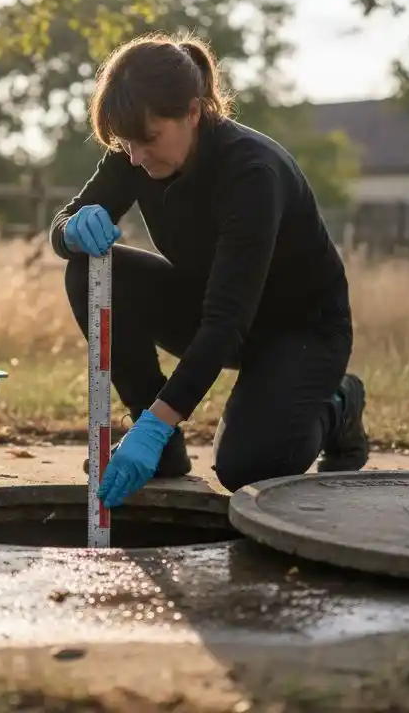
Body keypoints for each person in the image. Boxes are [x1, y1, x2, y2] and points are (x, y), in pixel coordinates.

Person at [48, 31, 369, 509]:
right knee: (88, 272)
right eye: (126, 142)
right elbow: (61, 224)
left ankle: (337, 404)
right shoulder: (134, 151)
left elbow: (226, 321)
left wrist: (159, 422)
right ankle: (164, 449)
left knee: (247, 469)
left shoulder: (251, 173)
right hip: (214, 309)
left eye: (148, 139)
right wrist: (70, 230)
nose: (135, 156)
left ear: (194, 113)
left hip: (302, 333)